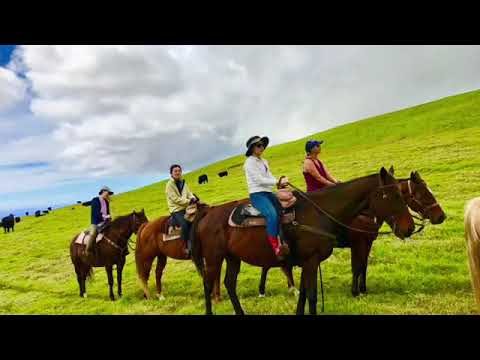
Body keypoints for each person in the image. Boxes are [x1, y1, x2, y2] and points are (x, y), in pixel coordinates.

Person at [243, 136, 290, 260]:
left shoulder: (264, 161)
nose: (261, 147)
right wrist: (276, 182)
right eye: (258, 145)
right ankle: (275, 248)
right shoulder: (249, 162)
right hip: (257, 194)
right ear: (252, 148)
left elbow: (269, 175)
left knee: (282, 211)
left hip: (268, 193)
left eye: (262, 145)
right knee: (272, 215)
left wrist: (279, 182)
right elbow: (258, 180)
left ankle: (282, 239)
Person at [165, 164, 198, 256]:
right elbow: (176, 199)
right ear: (171, 173)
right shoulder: (169, 185)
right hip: (176, 209)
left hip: (186, 207)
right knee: (185, 223)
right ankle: (185, 246)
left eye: (179, 171)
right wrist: (189, 201)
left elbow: (189, 193)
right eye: (175, 171)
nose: (177, 172)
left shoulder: (183, 182)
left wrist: (193, 198)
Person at [86, 186, 113, 255]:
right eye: (108, 193)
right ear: (103, 192)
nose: (108, 195)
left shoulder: (106, 202)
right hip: (96, 223)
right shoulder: (95, 200)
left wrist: (109, 217)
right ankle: (88, 251)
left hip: (106, 222)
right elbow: (96, 213)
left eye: (109, 194)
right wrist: (106, 216)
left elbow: (107, 212)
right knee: (93, 233)